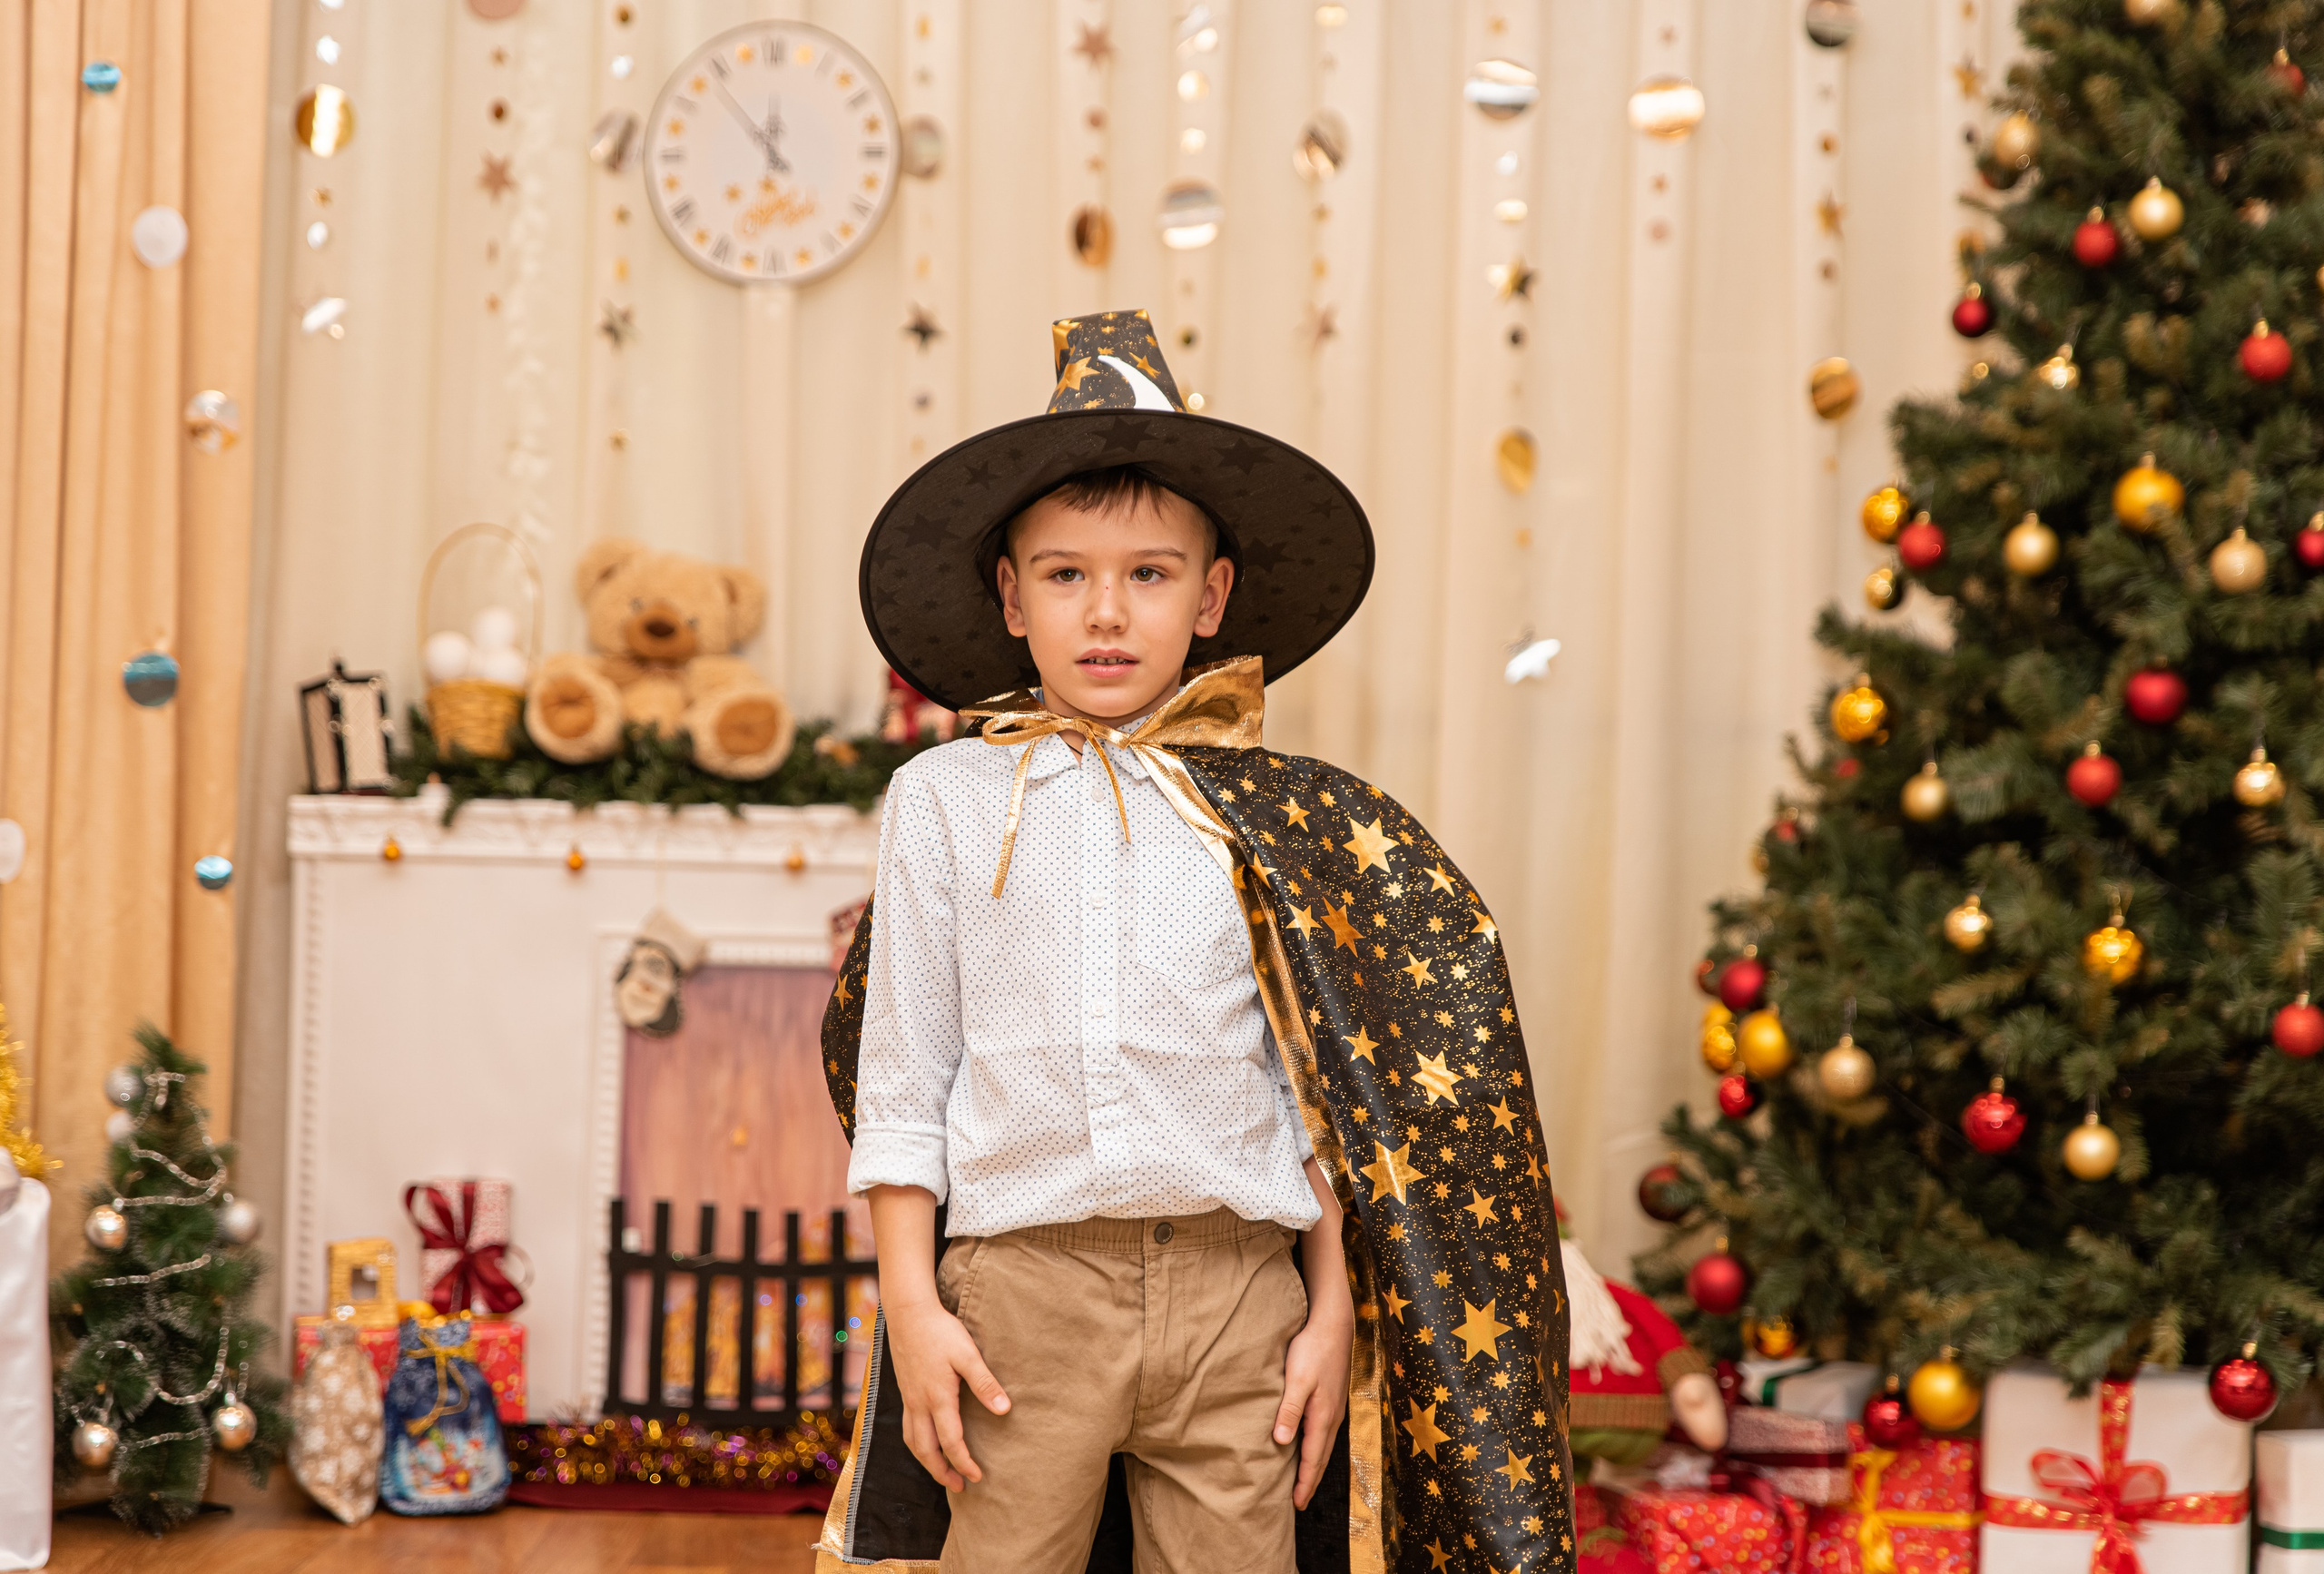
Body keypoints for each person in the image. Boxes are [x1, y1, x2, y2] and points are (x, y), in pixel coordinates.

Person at [818, 310, 1574, 1574]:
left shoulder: (1276, 818)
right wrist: (912, 1301)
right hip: (1023, 1291)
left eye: (1150, 574)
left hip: (1241, 1298)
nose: (1106, 612)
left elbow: (1322, 1087)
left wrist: (1332, 1307)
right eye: (1065, 574)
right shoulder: (944, 801)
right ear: (1010, 595)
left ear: (1212, 595)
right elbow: (906, 1077)